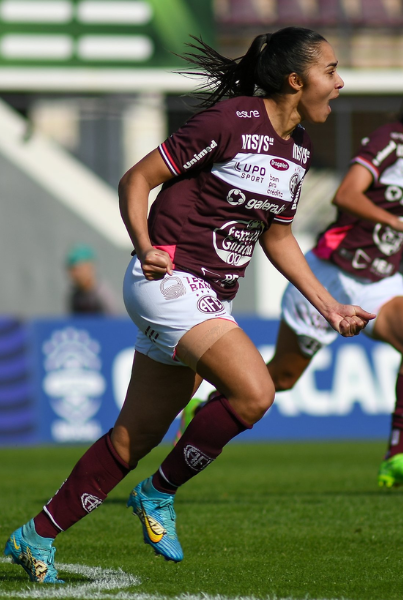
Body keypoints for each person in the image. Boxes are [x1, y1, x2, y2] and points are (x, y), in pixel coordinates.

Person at [3, 27, 374, 584]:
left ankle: (35, 537)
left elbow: (277, 237)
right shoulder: (229, 122)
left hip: (205, 296)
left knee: (135, 438)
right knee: (255, 392)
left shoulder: (298, 150)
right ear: (297, 81)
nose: (339, 82)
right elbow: (138, 178)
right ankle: (158, 494)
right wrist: (144, 246)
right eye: (331, 70)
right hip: (170, 282)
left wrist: (331, 307)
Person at [262, 56, 403, 489]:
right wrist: (397, 223)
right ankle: (210, 402)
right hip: (331, 275)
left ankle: (397, 456)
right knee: (282, 378)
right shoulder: (388, 141)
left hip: (381, 280)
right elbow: (345, 194)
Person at [66, 243, 118, 315]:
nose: (75, 274)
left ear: (89, 268)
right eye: (72, 270)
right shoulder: (75, 296)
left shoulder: (102, 295)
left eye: (78, 269)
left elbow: (113, 322)